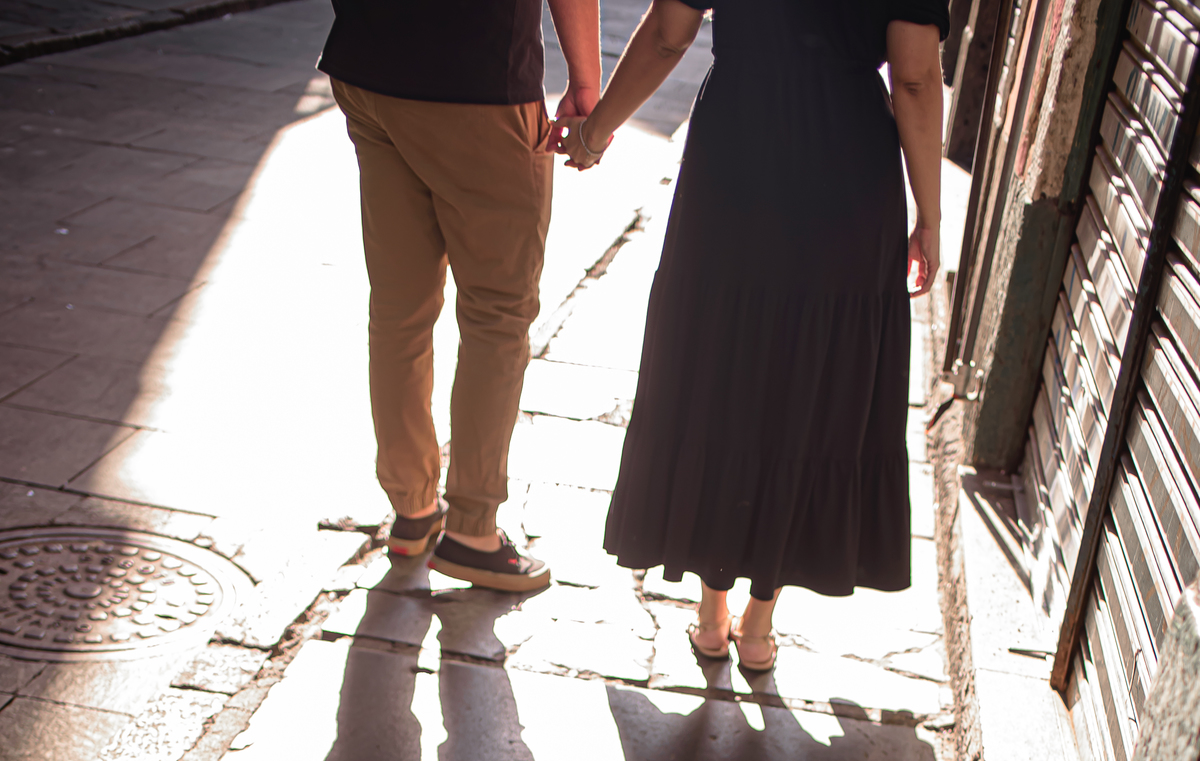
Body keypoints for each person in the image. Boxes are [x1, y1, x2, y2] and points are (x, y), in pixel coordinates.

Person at [554, 0, 947, 667]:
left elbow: (667, 36)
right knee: (811, 379)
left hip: (736, 152)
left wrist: (596, 132)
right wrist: (929, 214)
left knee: (719, 362)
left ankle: (711, 609)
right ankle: (760, 620)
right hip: (846, 168)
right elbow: (914, 78)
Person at [319, 0, 602, 595]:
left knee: (399, 307)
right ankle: (473, 531)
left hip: (367, 66)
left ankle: (413, 508)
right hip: (478, 79)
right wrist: (585, 81)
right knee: (497, 314)